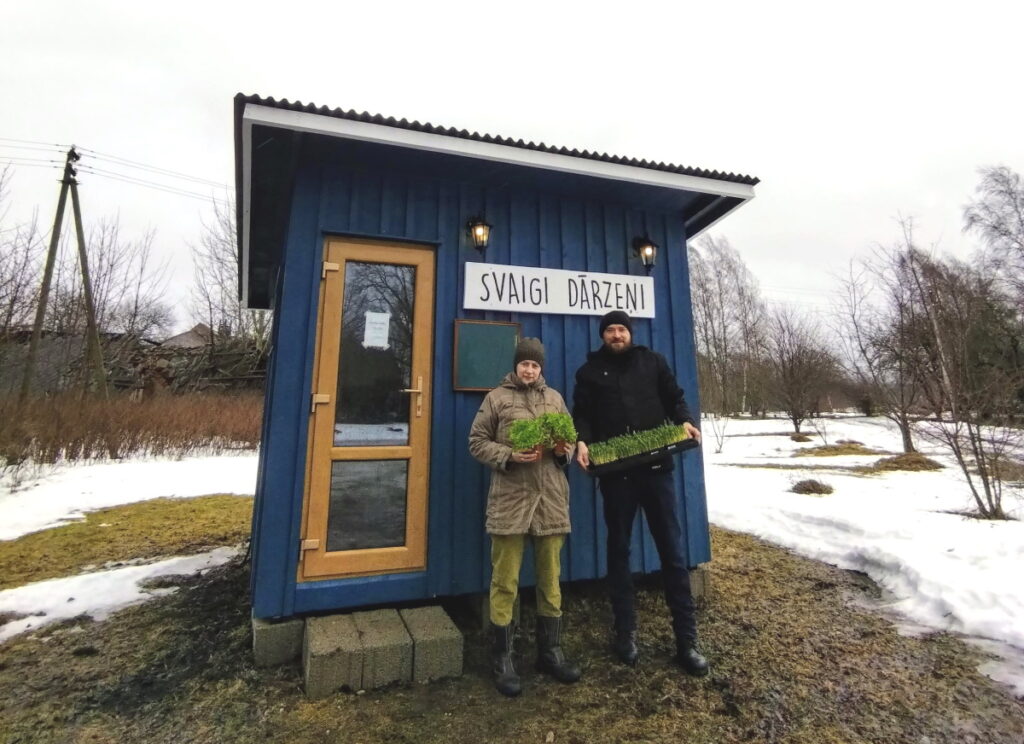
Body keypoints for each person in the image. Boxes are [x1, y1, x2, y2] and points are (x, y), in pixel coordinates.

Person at [572, 310, 709, 676]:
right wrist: (582, 442)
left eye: (621, 329)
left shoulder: (653, 362)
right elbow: (581, 415)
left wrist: (686, 421)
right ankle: (625, 633)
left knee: (673, 553)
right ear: (603, 336)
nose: (616, 335)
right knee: (619, 551)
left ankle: (687, 641)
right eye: (610, 330)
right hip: (617, 478)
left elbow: (675, 397)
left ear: (630, 333)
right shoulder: (588, 372)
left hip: (656, 472)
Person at [468, 337, 582, 697]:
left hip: (549, 499)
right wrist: (510, 454)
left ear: (541, 368)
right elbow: (476, 441)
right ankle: (503, 658)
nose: (529, 370)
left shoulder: (555, 399)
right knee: (505, 581)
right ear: (516, 366)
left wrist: (564, 450)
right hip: (510, 501)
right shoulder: (496, 398)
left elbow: (570, 441)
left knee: (551, 580)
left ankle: (551, 652)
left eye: (535, 365)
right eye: (524, 365)